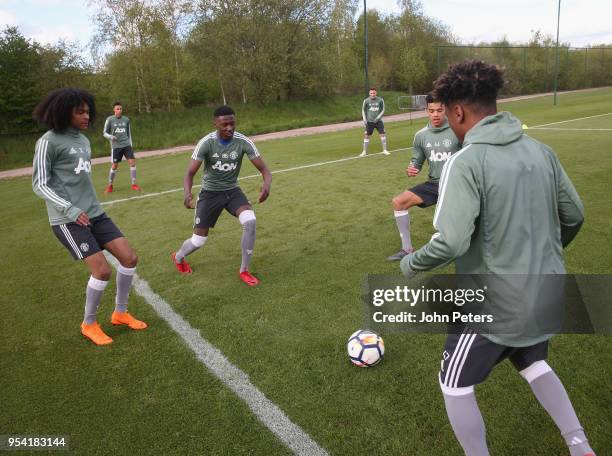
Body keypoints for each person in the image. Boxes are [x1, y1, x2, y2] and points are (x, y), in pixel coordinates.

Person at [400, 60, 594, 456]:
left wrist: (410, 264)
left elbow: (451, 242)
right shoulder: (542, 151)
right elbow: (574, 216)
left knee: (454, 383)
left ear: (457, 111)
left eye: (448, 114)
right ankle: (580, 446)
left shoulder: (466, 161)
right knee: (532, 361)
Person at [32, 88, 147, 346]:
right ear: (64, 113)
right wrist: (70, 209)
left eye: (87, 111)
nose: (86, 116)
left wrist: (90, 206)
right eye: (80, 112)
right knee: (102, 271)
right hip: (68, 220)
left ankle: (120, 313)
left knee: (129, 258)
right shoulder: (48, 141)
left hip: (95, 214)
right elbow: (40, 184)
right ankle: (89, 323)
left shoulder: (83, 141)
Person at [172, 105, 272, 287]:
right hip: (210, 193)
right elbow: (189, 173)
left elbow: (265, 170)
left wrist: (266, 185)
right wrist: (187, 194)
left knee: (250, 221)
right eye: (225, 125)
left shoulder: (243, 142)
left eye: (232, 124)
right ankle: (178, 257)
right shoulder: (206, 143)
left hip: (232, 191)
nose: (230, 128)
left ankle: (244, 270)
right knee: (199, 240)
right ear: (215, 124)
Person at [387, 94, 461, 261]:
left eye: (440, 110)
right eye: (431, 110)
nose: (435, 114)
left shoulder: (458, 130)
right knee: (398, 202)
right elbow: (416, 162)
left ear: (446, 110)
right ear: (426, 110)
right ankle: (406, 249)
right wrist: (412, 168)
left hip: (456, 184)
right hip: (434, 184)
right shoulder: (421, 136)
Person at [103, 101, 141, 193]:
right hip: (116, 147)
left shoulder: (126, 120)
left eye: (120, 109)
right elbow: (104, 133)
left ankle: (134, 184)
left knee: (132, 163)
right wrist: (111, 137)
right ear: (114, 110)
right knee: (114, 165)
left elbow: (129, 134)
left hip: (127, 145)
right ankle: (110, 185)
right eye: (117, 109)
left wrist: (131, 145)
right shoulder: (110, 120)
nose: (119, 110)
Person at [360, 87, 389, 157]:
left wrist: (378, 117)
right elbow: (363, 110)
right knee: (366, 136)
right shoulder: (366, 101)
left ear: (376, 93)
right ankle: (364, 151)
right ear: (369, 93)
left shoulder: (380, 100)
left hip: (378, 121)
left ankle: (385, 150)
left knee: (382, 134)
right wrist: (364, 119)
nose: (372, 94)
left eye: (374, 93)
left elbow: (383, 109)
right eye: (371, 93)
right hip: (369, 122)